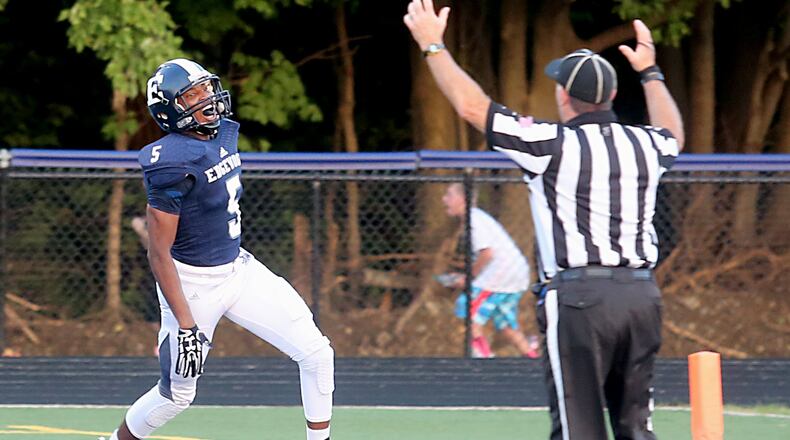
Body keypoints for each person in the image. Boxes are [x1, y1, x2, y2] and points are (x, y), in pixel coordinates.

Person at [404, 2, 684, 439]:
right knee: (636, 427)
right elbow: (674, 134)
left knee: (579, 428)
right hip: (640, 296)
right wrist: (650, 73)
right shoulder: (645, 144)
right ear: (611, 96)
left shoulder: (551, 142)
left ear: (563, 95)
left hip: (579, 298)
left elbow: (473, 108)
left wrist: (433, 45)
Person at [103, 59, 334, 440]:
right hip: (192, 284)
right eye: (191, 95)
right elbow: (159, 254)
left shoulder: (223, 133)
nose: (205, 99)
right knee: (177, 395)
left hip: (238, 269)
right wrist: (187, 324)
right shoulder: (171, 161)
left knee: (317, 353)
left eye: (205, 89)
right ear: (169, 109)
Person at [440, 183, 539, 359]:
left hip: (501, 274)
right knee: (506, 323)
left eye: (449, 195)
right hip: (517, 275)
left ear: (463, 199)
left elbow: (487, 253)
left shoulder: (473, 220)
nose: (444, 199)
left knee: (467, 308)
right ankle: (531, 355)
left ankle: (484, 358)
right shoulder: (477, 218)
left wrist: (469, 279)